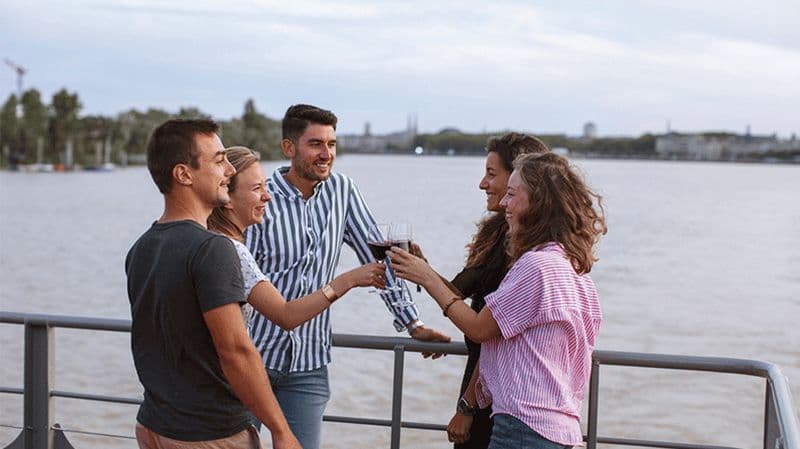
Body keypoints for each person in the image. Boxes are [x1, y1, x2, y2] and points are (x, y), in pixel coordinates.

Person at [243, 104, 450, 449]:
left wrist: (412, 323)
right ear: (289, 148)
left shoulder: (343, 191)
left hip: (308, 365)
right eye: (316, 144)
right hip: (252, 359)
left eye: (332, 144)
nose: (327, 154)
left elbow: (378, 257)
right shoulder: (259, 195)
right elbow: (238, 279)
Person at [389, 152, 607, 449]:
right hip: (560, 430)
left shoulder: (536, 266)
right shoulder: (576, 270)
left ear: (538, 204)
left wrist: (427, 277)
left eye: (513, 194)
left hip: (523, 429)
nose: (504, 202)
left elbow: (479, 329)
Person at [125, 119, 301, 449]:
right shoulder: (213, 248)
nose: (230, 171)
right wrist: (281, 430)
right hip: (209, 433)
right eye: (219, 161)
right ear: (184, 174)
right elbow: (235, 350)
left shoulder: (142, 247)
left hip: (153, 425)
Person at [414, 133, 550, 449]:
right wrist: (421, 268)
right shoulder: (498, 233)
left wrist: (467, 406)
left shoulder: (524, 252)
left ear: (521, 178)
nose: (482, 184)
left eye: (491, 174)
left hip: (494, 395)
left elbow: (491, 335)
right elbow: (455, 294)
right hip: (484, 386)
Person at [208, 146, 387, 330]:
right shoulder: (233, 251)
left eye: (265, 186)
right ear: (226, 197)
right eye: (256, 188)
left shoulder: (210, 241)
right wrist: (349, 280)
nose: (267, 196)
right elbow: (286, 316)